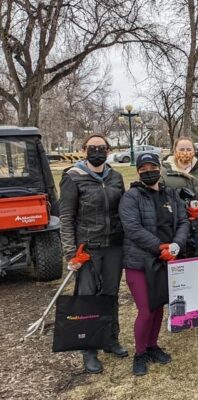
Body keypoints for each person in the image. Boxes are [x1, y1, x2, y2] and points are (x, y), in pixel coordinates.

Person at [59, 134, 127, 374]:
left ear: (108, 150)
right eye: (92, 147)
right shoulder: (73, 178)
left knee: (110, 294)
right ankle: (88, 348)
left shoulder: (116, 177)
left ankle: (110, 338)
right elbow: (66, 218)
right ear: (83, 149)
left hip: (114, 247)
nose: (97, 151)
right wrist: (70, 253)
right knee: (87, 297)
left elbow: (123, 211)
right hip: (87, 249)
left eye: (102, 147)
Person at [119, 153, 190, 376]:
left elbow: (183, 221)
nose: (148, 171)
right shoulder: (131, 197)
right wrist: (160, 247)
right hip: (140, 262)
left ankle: (152, 346)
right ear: (138, 172)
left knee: (159, 306)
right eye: (143, 168)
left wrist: (176, 245)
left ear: (160, 169)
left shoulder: (170, 194)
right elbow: (132, 228)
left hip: (166, 259)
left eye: (152, 167)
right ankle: (140, 353)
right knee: (146, 310)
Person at [160, 137, 198, 256]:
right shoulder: (163, 174)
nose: (185, 152)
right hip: (176, 232)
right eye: (181, 149)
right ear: (174, 151)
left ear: (194, 151)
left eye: (189, 149)